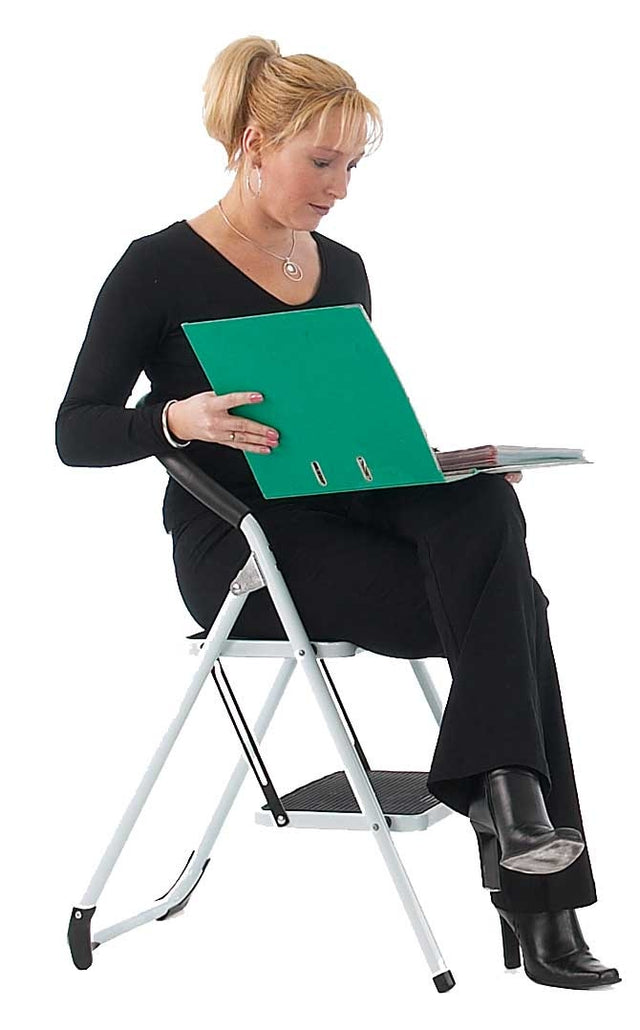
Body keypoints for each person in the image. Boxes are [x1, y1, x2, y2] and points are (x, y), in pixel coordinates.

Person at [55, 35, 619, 990]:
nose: (341, 188)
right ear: (254, 143)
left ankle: (514, 811)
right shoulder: (157, 267)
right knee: (514, 608)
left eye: (353, 166)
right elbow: (75, 431)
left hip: (346, 512)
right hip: (243, 552)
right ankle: (533, 881)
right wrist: (175, 420)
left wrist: (428, 466)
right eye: (323, 163)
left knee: (485, 507)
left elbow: (347, 429)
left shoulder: (345, 268)